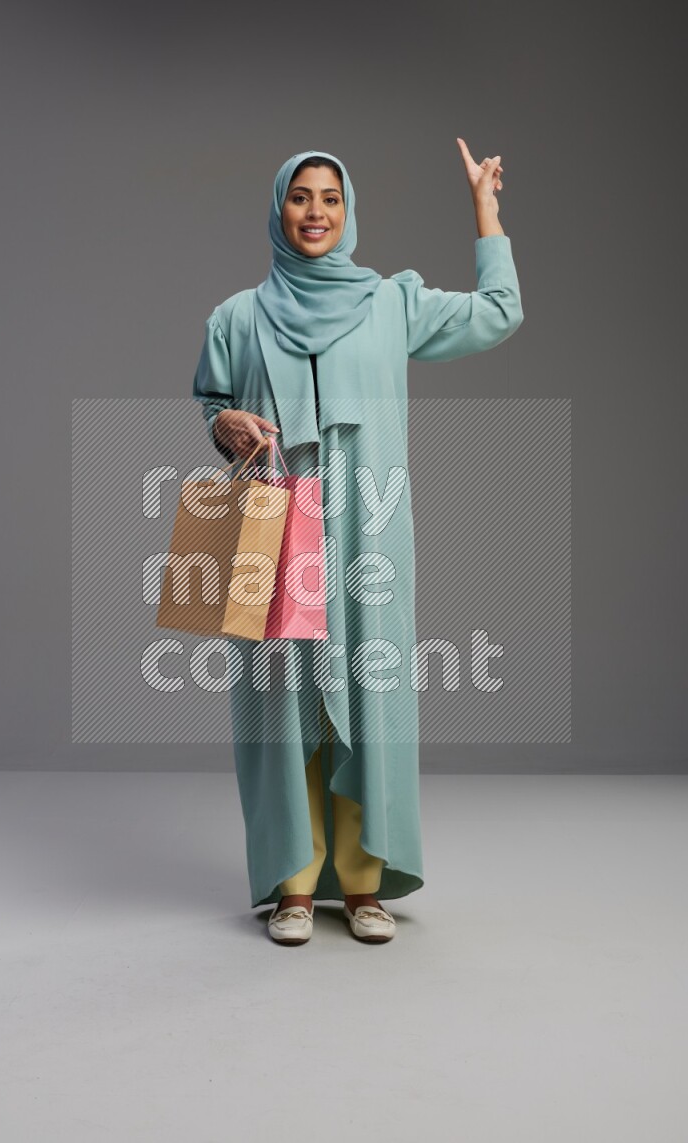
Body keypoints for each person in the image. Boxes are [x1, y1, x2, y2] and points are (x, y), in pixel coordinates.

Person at [192, 141, 523, 945]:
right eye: (300, 197)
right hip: (273, 532)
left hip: (368, 536)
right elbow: (212, 403)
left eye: (330, 198)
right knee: (284, 704)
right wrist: (224, 422)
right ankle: (296, 887)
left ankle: (365, 880)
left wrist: (485, 210)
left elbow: (499, 311)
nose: (315, 212)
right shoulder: (236, 316)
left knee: (369, 699)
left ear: (348, 212)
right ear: (279, 208)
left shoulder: (390, 301)